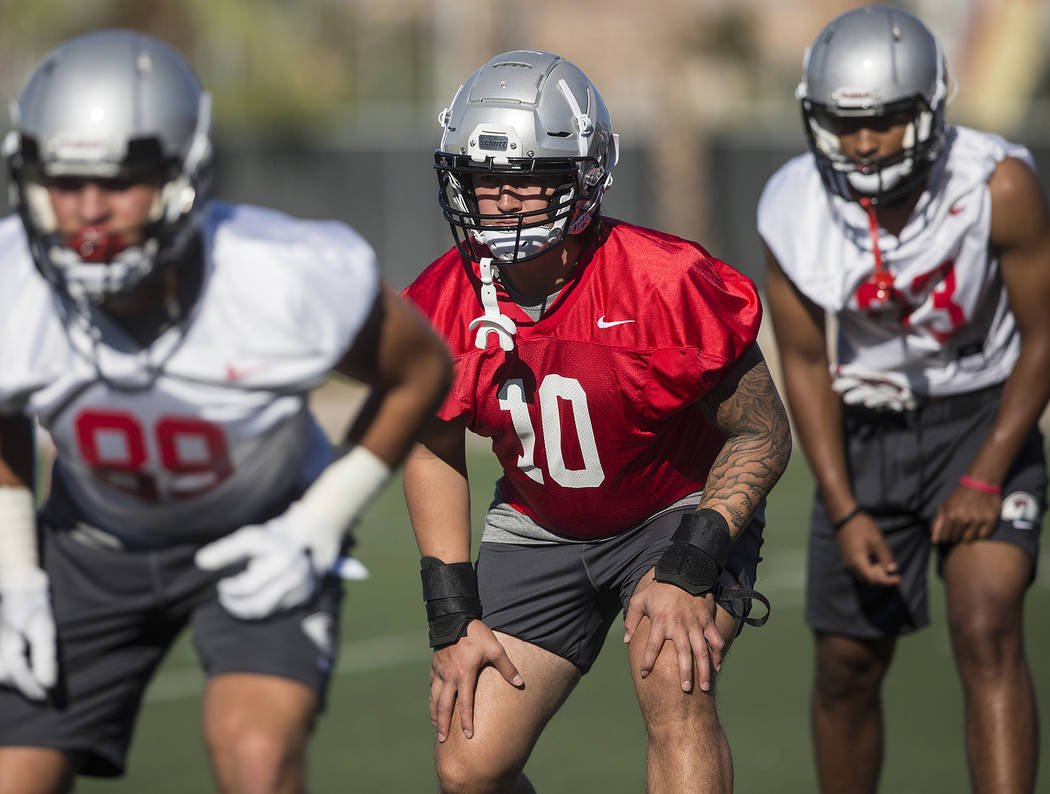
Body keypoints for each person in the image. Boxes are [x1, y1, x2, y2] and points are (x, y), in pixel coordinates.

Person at [0, 29, 452, 794]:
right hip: (90, 543)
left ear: (184, 171)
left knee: (256, 755)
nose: (86, 210)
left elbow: (421, 370)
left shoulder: (280, 275)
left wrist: (319, 520)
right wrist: (16, 572)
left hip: (261, 531)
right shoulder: (13, 277)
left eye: (120, 181)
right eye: (64, 180)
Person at [400, 50, 791, 793]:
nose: (505, 202)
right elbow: (432, 443)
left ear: (582, 180)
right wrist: (451, 617)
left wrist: (691, 562)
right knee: (468, 764)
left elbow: (763, 432)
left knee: (673, 679)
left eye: (528, 179)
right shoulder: (441, 301)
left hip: (670, 510)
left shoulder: (664, 281)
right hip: (539, 522)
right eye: (487, 180)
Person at [759, 6, 1050, 794]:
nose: (862, 142)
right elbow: (806, 364)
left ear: (930, 106)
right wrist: (845, 506)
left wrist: (988, 472)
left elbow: (1044, 335)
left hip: (982, 416)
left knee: (987, 623)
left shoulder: (1000, 183)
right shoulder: (793, 206)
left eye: (885, 120)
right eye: (844, 122)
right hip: (865, 433)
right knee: (848, 663)